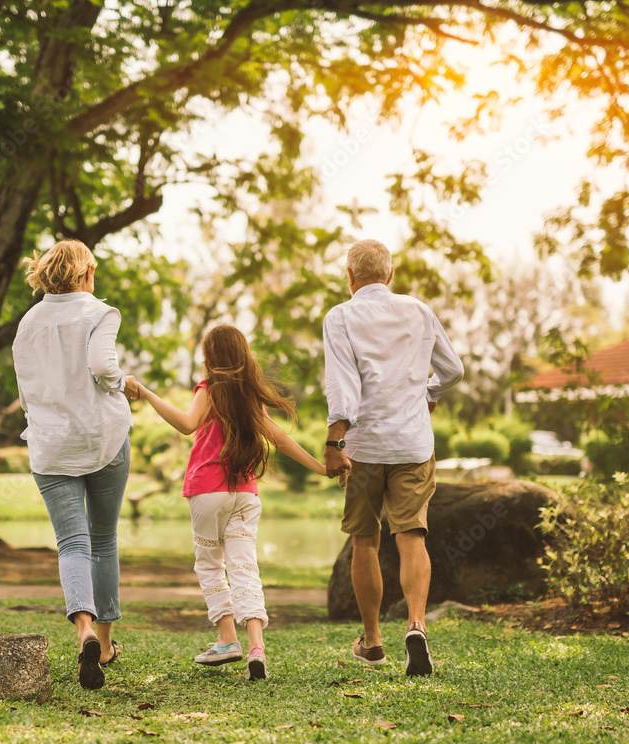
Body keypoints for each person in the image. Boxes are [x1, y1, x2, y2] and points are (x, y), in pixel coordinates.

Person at [132, 324, 327, 681]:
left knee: (210, 564)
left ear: (210, 357)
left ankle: (227, 640)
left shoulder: (209, 390)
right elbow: (281, 441)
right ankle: (256, 647)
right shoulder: (249, 397)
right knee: (244, 566)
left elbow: (187, 424)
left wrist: (146, 393)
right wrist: (322, 468)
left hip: (208, 491)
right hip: (245, 494)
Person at [322, 239, 464, 676]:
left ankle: (373, 641)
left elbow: (343, 381)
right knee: (412, 535)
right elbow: (453, 369)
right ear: (390, 275)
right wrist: (428, 394)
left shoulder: (340, 315)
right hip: (413, 444)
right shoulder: (418, 311)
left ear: (350, 277)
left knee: (365, 541)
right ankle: (417, 625)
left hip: (364, 447)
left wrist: (334, 439)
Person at [13, 239, 137, 690]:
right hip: (101, 438)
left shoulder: (27, 322)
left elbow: (25, 390)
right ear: (85, 273)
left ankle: (82, 627)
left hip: (51, 446)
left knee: (72, 544)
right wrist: (125, 383)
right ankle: (103, 644)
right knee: (102, 540)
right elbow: (103, 366)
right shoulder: (100, 312)